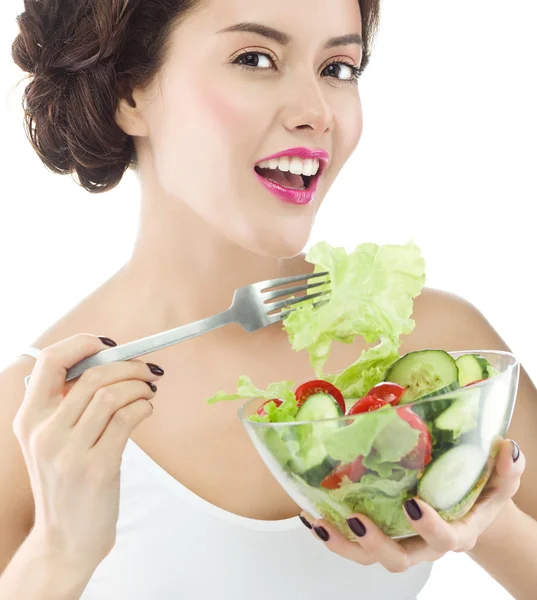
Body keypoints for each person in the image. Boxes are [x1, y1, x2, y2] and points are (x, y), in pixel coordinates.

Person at [0, 0, 535, 598]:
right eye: (255, 58)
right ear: (130, 93)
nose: (317, 112)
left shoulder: (437, 348)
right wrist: (59, 553)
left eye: (338, 68)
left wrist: (485, 519)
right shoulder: (37, 419)